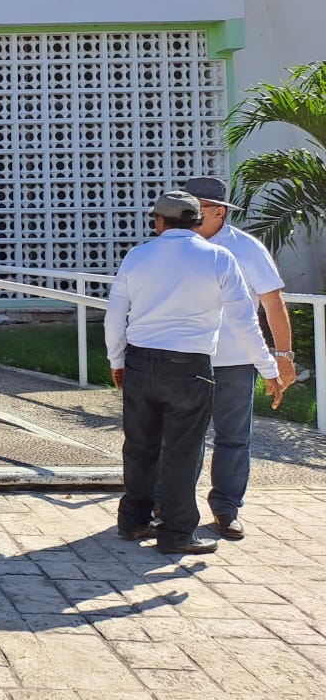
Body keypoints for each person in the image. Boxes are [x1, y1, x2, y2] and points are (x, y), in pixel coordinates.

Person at [105, 190, 288, 556]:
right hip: (190, 366)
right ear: (195, 220)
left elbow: (115, 314)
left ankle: (133, 521)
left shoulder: (138, 256)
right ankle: (176, 534)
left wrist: (117, 361)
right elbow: (244, 321)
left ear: (159, 221)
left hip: (141, 361)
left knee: (139, 446)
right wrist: (269, 367)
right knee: (182, 452)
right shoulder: (219, 257)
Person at [183, 176, 296, 540]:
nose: (190, 214)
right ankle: (173, 508)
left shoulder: (247, 248)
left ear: (219, 212)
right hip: (184, 359)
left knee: (233, 437)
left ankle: (227, 507)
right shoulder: (174, 245)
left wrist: (283, 355)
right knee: (181, 437)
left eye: (198, 208)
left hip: (234, 361)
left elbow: (272, 303)